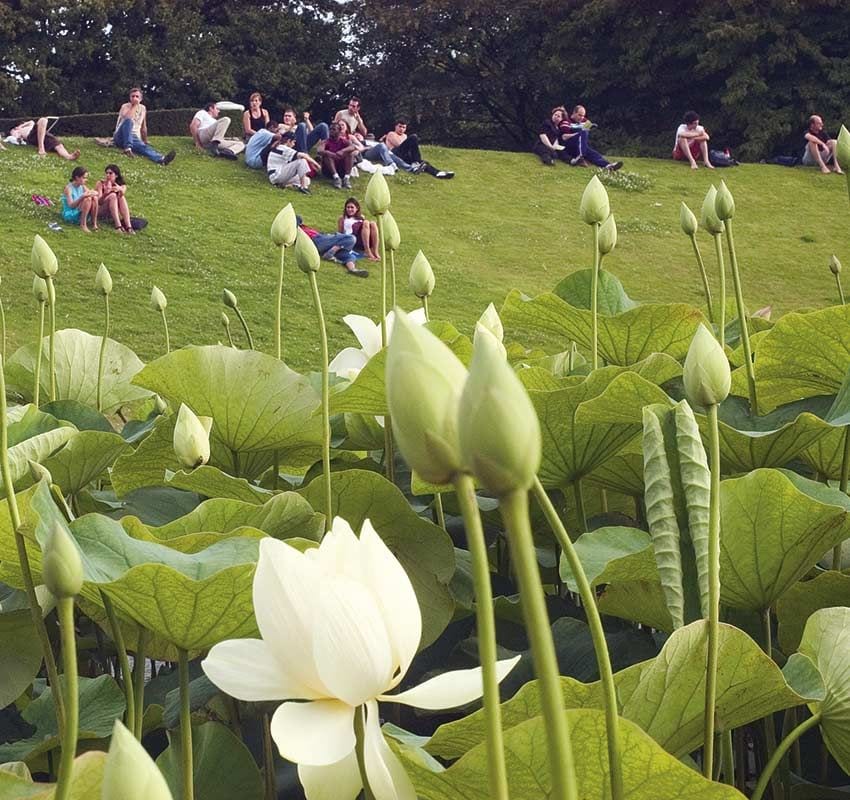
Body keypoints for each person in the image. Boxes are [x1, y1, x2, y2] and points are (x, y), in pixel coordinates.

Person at [111, 87, 176, 165]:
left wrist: (145, 140)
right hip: (120, 136)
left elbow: (143, 127)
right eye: (133, 96)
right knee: (129, 121)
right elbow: (127, 118)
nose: (134, 98)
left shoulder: (143, 108)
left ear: (141, 99)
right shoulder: (125, 106)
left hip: (134, 138)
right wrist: (134, 106)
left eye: (137, 96)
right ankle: (127, 147)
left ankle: (161, 159)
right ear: (130, 98)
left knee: (143, 148)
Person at [299, 216, 369, 278]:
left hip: (325, 244)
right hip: (318, 240)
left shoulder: (305, 227)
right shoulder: (298, 230)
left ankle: (352, 269)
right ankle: (333, 250)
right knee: (351, 238)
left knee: (350, 256)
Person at [382, 118, 454, 179]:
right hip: (395, 153)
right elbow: (399, 145)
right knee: (414, 137)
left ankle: (438, 173)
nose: (401, 129)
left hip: (404, 155)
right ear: (395, 127)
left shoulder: (405, 136)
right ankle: (416, 162)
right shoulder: (391, 134)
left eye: (404, 127)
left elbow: (408, 147)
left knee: (424, 163)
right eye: (400, 126)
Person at [559, 105, 622, 171]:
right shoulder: (566, 121)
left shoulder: (585, 121)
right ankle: (581, 156)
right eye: (579, 115)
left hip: (580, 146)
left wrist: (589, 127)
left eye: (583, 115)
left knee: (593, 154)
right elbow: (564, 137)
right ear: (574, 113)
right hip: (569, 146)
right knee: (583, 133)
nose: (581, 118)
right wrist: (578, 134)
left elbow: (589, 126)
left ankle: (608, 165)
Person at [8, 118, 80, 160]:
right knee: (43, 120)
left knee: (58, 145)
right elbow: (14, 137)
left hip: (42, 134)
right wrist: (18, 131)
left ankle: (69, 156)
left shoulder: (26, 126)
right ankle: (41, 148)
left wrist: (21, 125)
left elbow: (31, 122)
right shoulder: (15, 130)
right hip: (31, 136)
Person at [317, 122, 359, 189]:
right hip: (329, 171)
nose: (331, 131)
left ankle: (346, 178)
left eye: (334, 129)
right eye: (330, 129)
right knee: (326, 154)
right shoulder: (326, 141)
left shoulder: (344, 141)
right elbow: (319, 150)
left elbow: (353, 147)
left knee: (351, 154)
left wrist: (342, 151)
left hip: (341, 169)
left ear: (339, 131)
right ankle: (336, 178)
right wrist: (330, 153)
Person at [96, 163, 134, 233]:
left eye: (110, 173)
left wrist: (120, 190)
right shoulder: (100, 183)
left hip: (111, 213)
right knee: (113, 195)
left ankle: (129, 227)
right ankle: (118, 226)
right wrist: (106, 193)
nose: (108, 175)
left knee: (121, 197)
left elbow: (123, 193)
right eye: (106, 173)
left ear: (116, 175)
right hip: (100, 210)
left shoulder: (121, 185)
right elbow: (99, 202)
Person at [61, 166, 99, 232]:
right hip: (71, 213)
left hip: (79, 211)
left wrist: (93, 193)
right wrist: (82, 197)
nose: (86, 180)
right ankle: (83, 224)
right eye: (84, 178)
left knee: (94, 198)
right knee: (87, 199)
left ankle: (94, 223)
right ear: (77, 177)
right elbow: (71, 205)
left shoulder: (82, 186)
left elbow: (95, 193)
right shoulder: (68, 188)